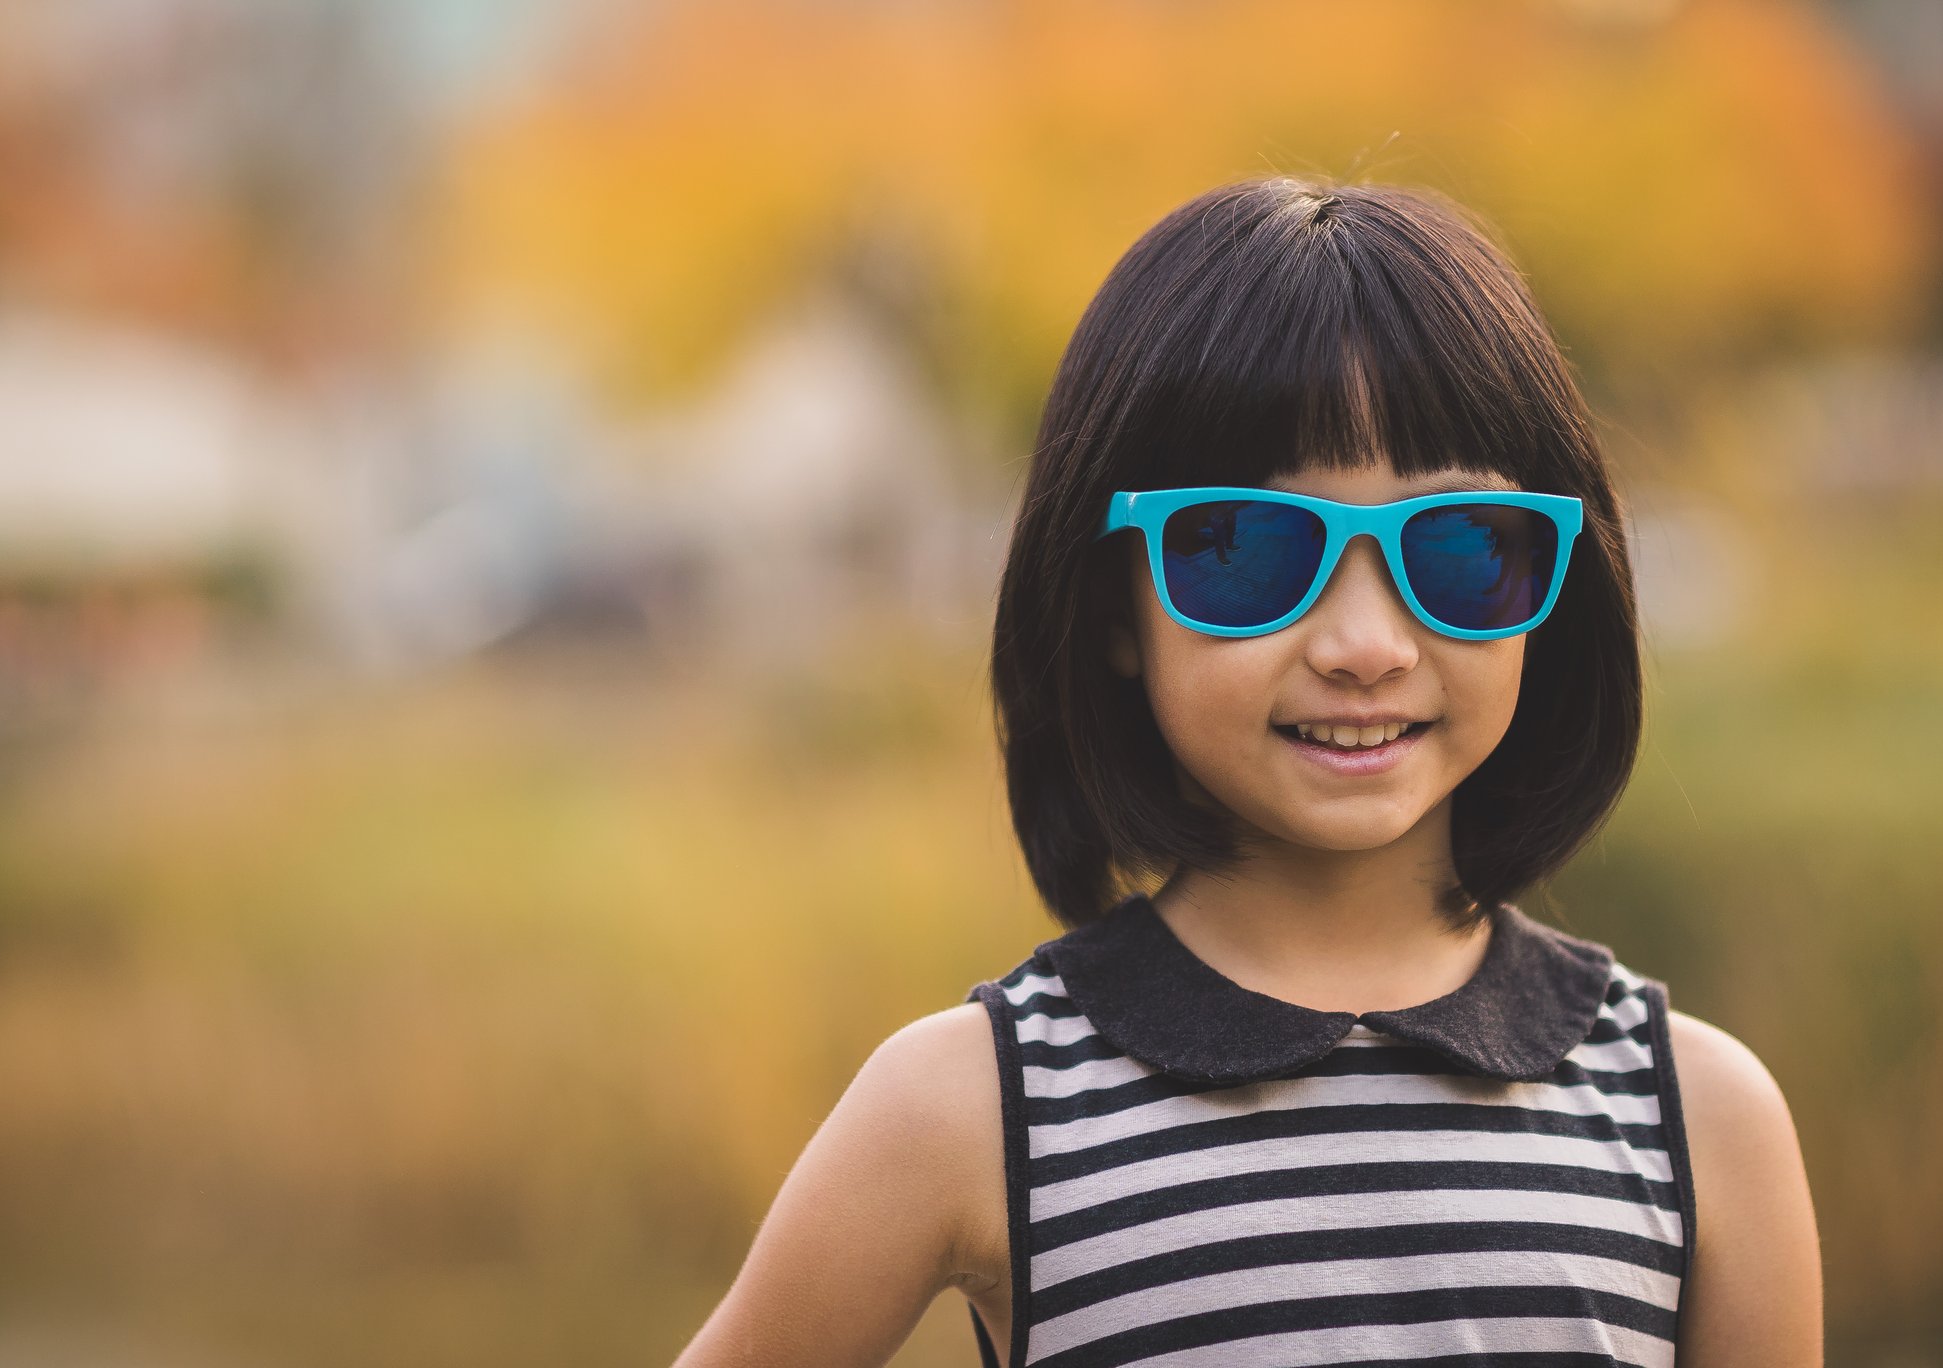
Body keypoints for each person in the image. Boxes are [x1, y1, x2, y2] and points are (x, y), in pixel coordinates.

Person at [672, 176, 1822, 1367]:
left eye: (1460, 547)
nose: (1364, 647)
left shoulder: (1692, 1117)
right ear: (1113, 603)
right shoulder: (968, 1109)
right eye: (1248, 551)